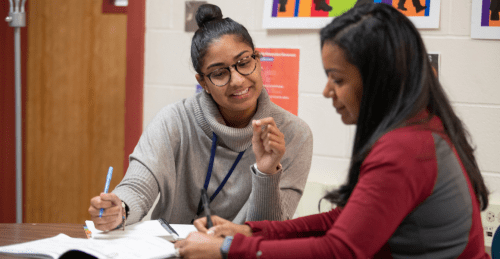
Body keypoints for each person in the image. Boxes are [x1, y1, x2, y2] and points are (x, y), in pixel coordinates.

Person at [174, 3, 491, 258]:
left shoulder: (405, 149)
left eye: (337, 79)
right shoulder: (419, 128)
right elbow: (345, 220)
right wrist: (251, 232)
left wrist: (230, 249)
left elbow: (340, 249)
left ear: (375, 80)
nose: (327, 91)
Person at [88, 4, 313, 231]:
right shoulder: (174, 121)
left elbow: (269, 232)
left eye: (244, 63)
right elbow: (137, 186)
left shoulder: (293, 134)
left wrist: (266, 173)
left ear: (258, 59)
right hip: (175, 251)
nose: (236, 80)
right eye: (219, 73)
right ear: (203, 82)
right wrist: (120, 209)